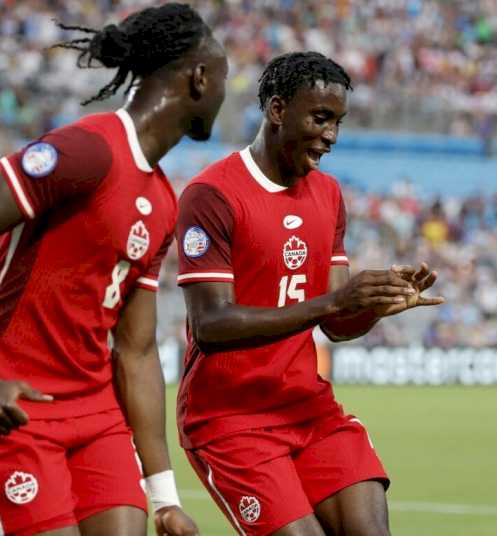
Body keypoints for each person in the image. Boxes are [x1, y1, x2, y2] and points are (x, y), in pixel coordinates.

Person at [0, 4, 227, 535]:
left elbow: (135, 351)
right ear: (200, 78)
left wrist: (164, 498)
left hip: (95, 412)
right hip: (14, 405)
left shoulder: (162, 201)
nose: (226, 94)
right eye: (225, 78)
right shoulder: (89, 149)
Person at [175, 52, 445, 536]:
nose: (331, 136)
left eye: (338, 122)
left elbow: (337, 325)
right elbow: (211, 327)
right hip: (230, 418)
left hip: (307, 406)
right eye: (321, 118)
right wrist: (336, 303)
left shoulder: (328, 193)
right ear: (278, 110)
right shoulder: (212, 194)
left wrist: (375, 308)